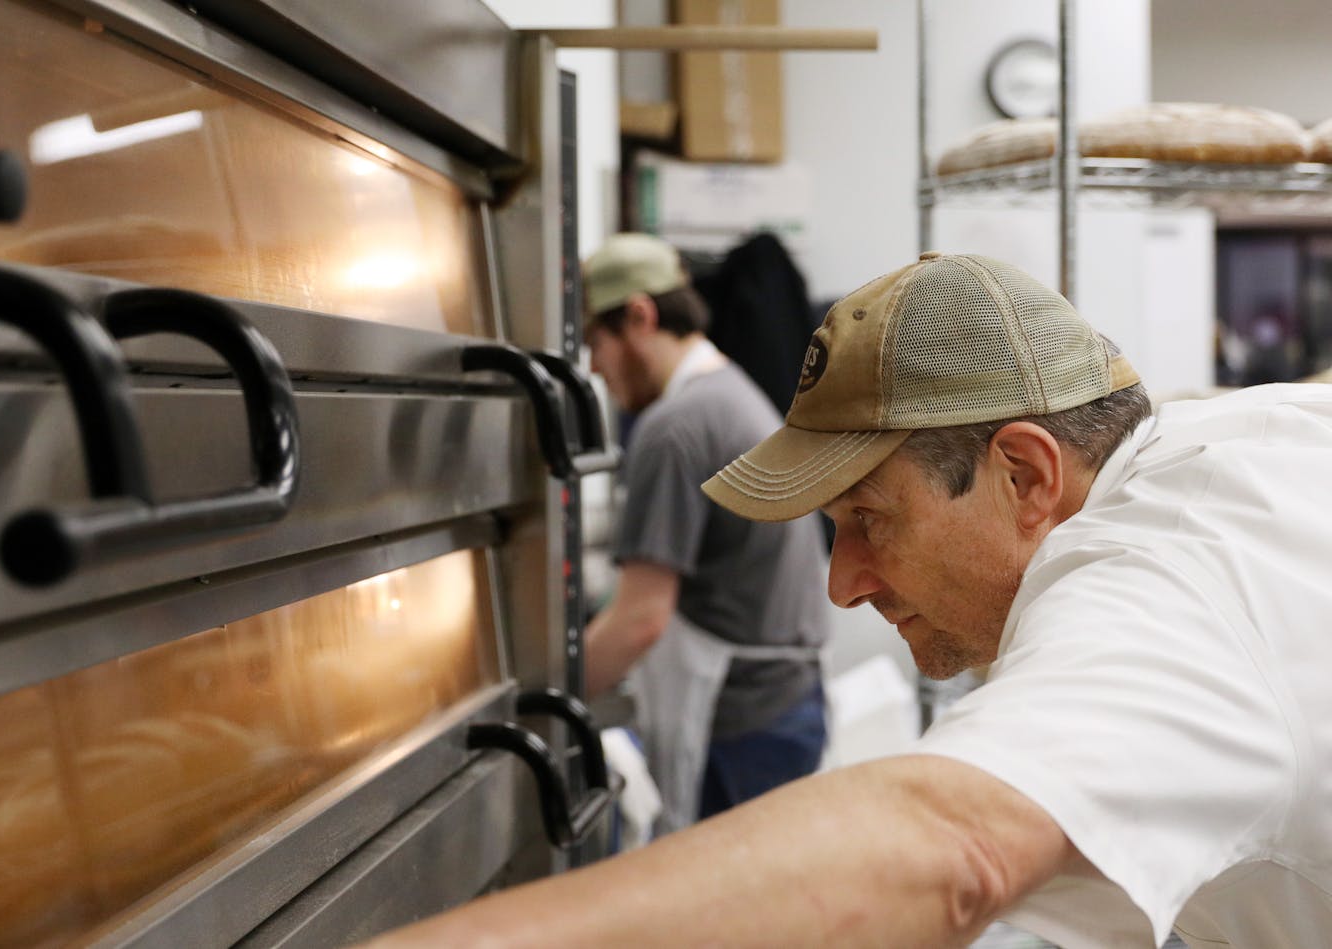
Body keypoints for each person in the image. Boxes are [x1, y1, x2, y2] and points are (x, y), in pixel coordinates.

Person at [367, 251, 1332, 948]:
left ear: (1028, 475)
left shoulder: (1158, 585)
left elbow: (954, 848)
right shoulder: (1246, 433)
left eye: (870, 517)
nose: (843, 581)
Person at [578, 232, 832, 833]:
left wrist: (542, 705)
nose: (592, 366)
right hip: (787, 708)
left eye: (594, 341)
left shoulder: (674, 427)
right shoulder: (729, 390)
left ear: (638, 317)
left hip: (743, 726)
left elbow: (641, 619)